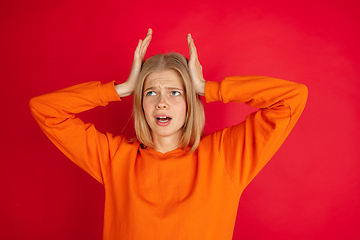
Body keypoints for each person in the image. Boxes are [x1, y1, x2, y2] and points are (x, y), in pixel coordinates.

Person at [30, 28, 308, 240]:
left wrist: (207, 87)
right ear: (140, 102)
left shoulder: (225, 155)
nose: (161, 102)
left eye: (175, 92)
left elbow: (291, 99)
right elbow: (44, 110)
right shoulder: (115, 158)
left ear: (190, 102)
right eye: (151, 92)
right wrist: (122, 88)